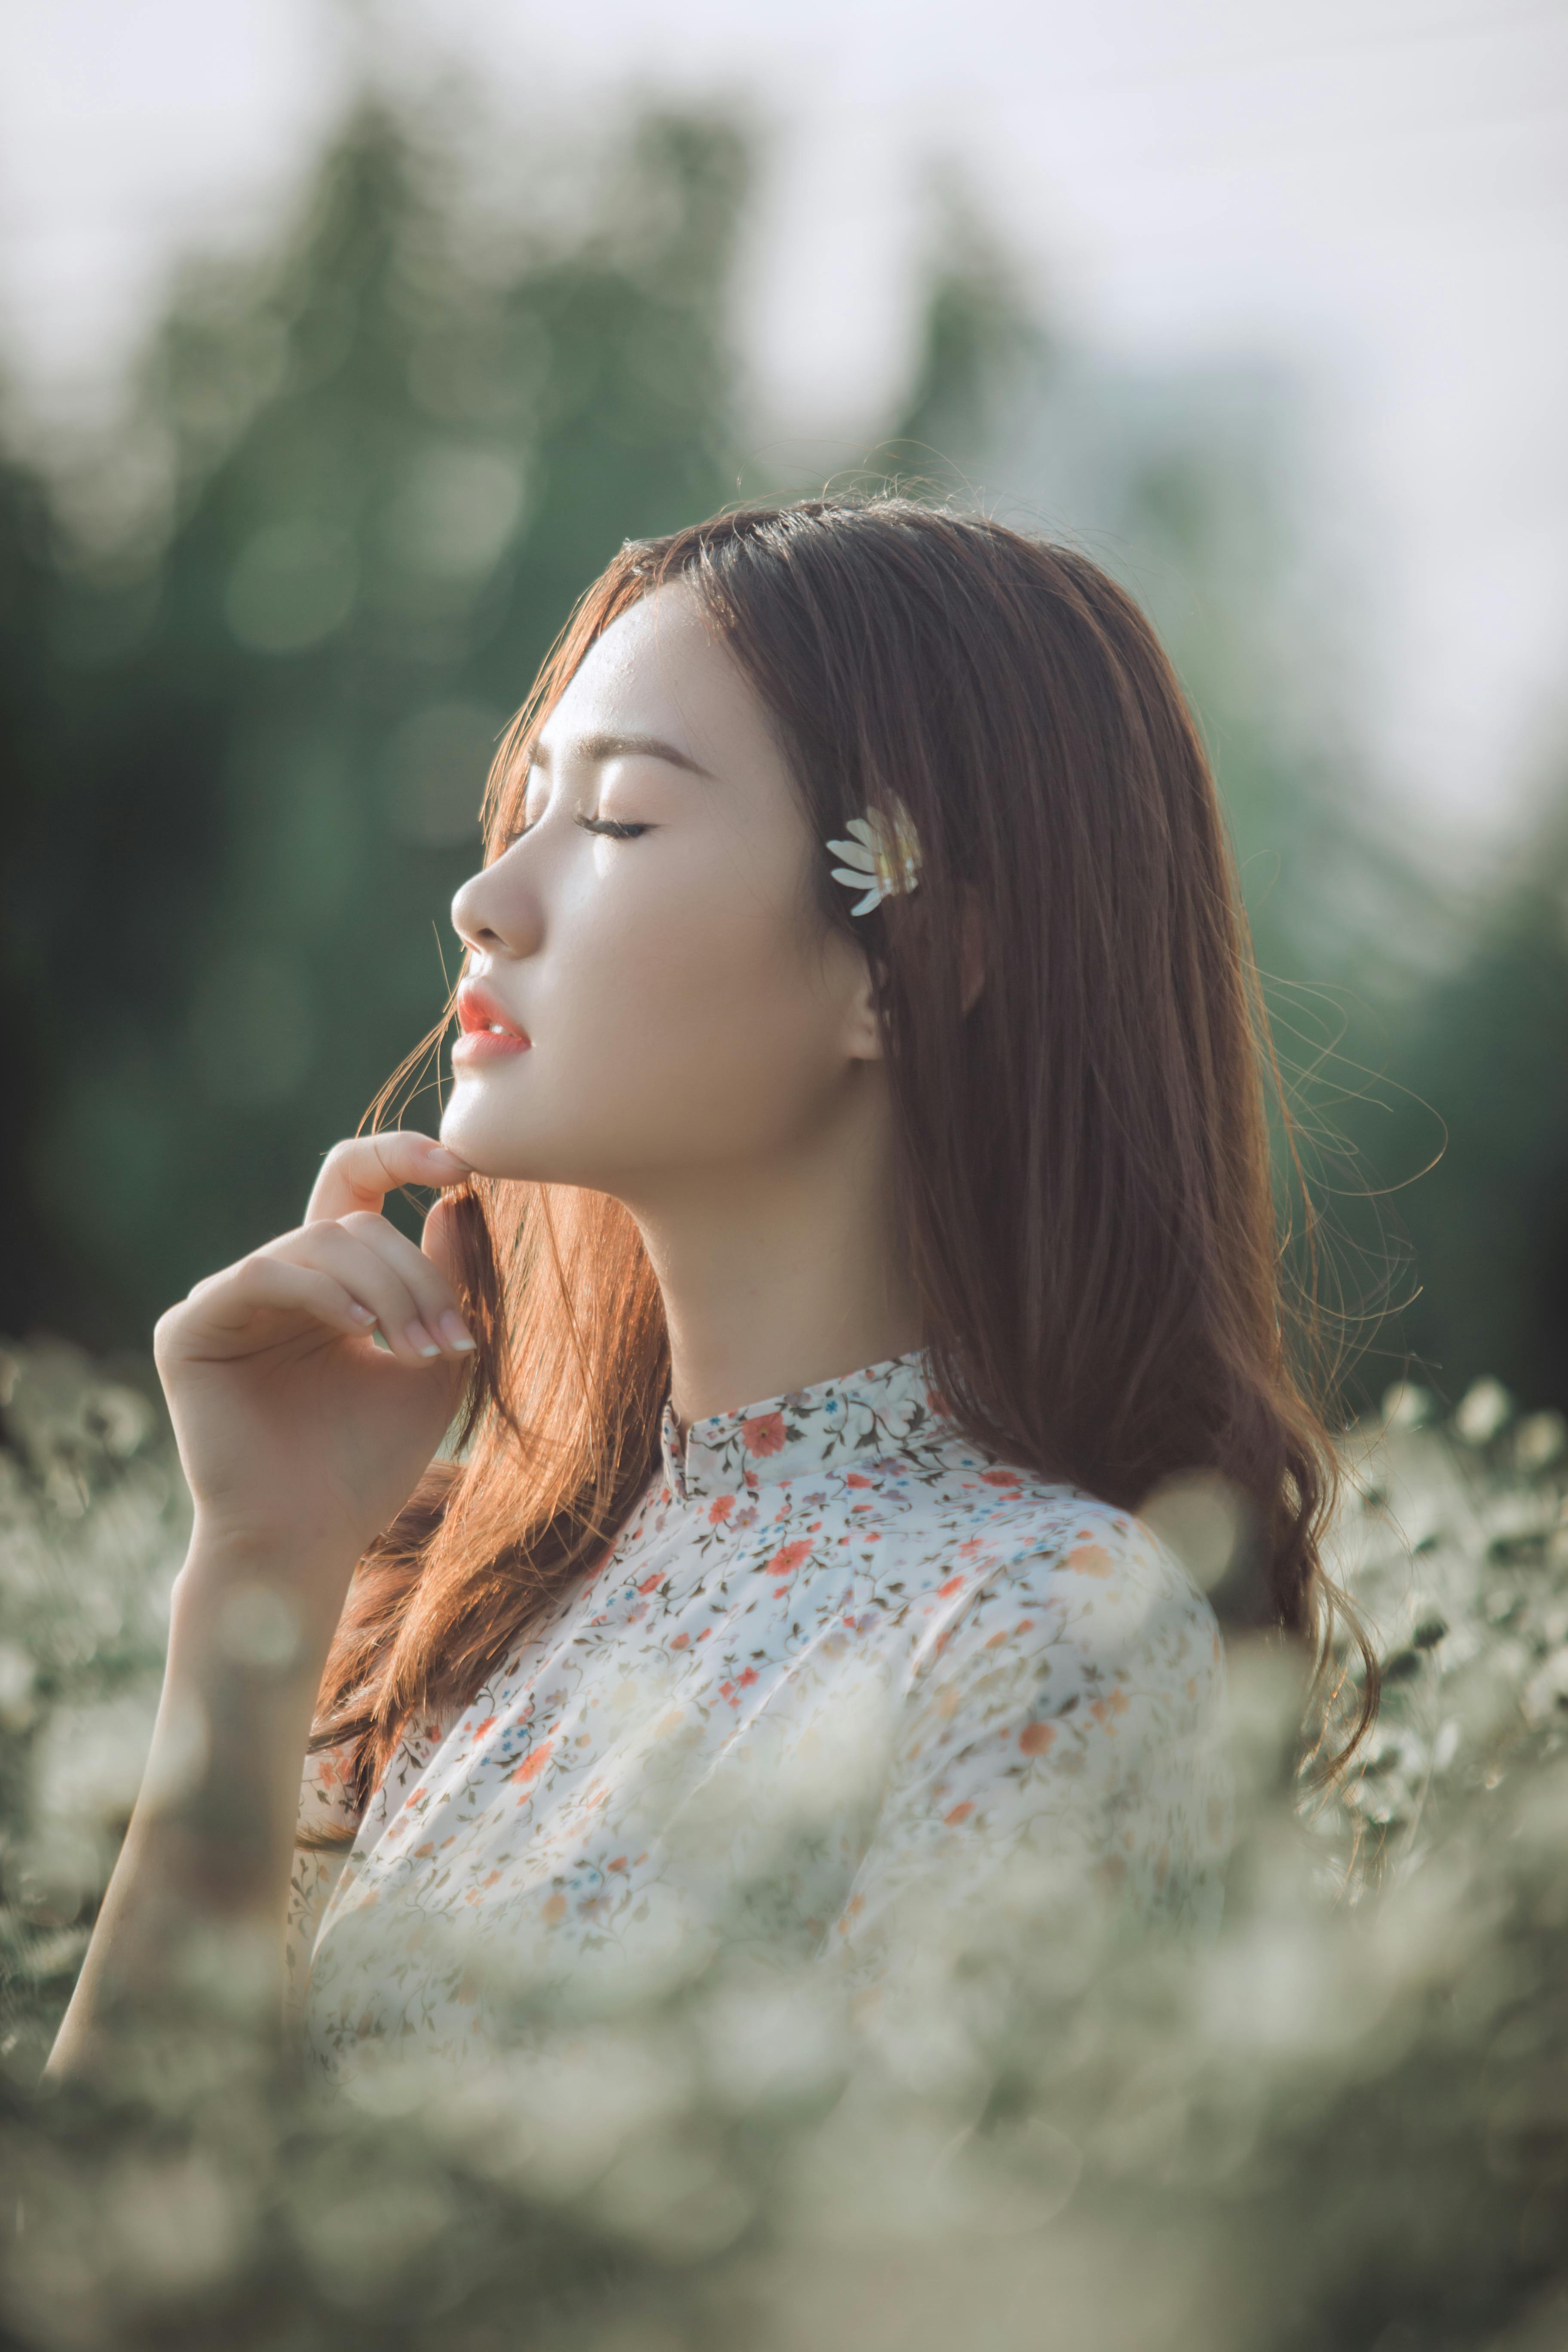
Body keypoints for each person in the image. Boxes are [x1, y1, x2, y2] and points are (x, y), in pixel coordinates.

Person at [46, 497, 1367, 2089]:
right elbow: (124, 2228)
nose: (488, 897)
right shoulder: (496, 1602)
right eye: (523, 813)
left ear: (913, 963)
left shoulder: (1040, 1632)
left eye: (613, 824)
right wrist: (260, 1572)